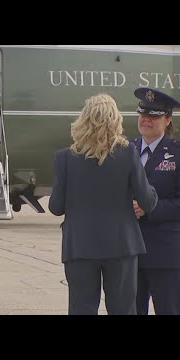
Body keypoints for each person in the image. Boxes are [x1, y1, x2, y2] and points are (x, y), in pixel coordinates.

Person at [48, 93, 158, 315]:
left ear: (83, 120)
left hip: (79, 246)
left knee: (82, 309)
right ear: (115, 120)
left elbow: (56, 206)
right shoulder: (128, 153)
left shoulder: (65, 158)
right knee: (123, 309)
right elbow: (148, 200)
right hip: (121, 245)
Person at [132, 87, 180, 315]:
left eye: (153, 115)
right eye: (143, 114)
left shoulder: (177, 154)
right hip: (128, 252)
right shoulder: (124, 151)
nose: (146, 120)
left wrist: (148, 209)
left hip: (165, 254)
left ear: (168, 120)